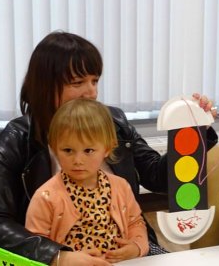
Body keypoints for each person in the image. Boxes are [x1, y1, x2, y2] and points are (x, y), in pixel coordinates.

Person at [0, 31, 218, 265]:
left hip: (127, 252)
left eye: (95, 81)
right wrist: (58, 256)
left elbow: (159, 177)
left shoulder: (114, 124)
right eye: (78, 82)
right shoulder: (15, 140)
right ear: (45, 86)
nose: (91, 93)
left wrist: (195, 131)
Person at [26, 98, 148, 264]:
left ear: (107, 148)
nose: (77, 160)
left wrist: (136, 246)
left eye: (88, 150)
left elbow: (135, 222)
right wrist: (60, 259)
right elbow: (33, 245)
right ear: (54, 148)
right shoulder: (45, 196)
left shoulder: (120, 187)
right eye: (68, 150)